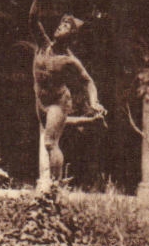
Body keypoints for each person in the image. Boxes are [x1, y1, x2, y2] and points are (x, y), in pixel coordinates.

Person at [33, 14, 106, 187]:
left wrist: (94, 102)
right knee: (55, 130)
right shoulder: (43, 44)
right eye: (61, 24)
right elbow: (33, 19)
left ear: (72, 36)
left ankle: (55, 187)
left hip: (58, 102)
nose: (60, 27)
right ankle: (90, 121)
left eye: (66, 26)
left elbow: (88, 82)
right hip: (41, 101)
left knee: (50, 142)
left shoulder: (70, 61)